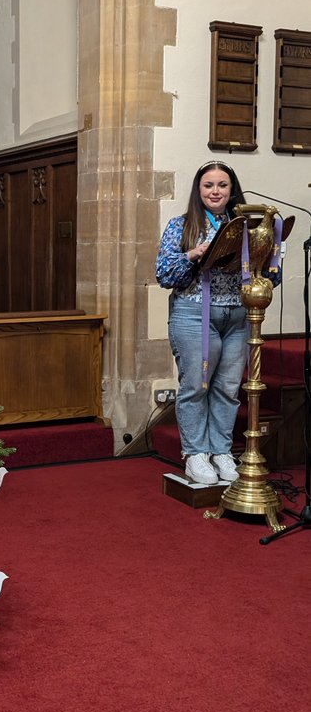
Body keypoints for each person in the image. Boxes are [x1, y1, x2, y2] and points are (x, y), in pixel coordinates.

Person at [156, 161, 248, 485]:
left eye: (222, 185)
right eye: (209, 185)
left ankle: (222, 450)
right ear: (199, 190)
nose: (215, 191)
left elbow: (260, 274)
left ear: (231, 189)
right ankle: (196, 454)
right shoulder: (182, 226)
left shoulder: (243, 226)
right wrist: (194, 254)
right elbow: (164, 274)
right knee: (196, 385)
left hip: (237, 316)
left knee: (228, 388)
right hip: (194, 314)